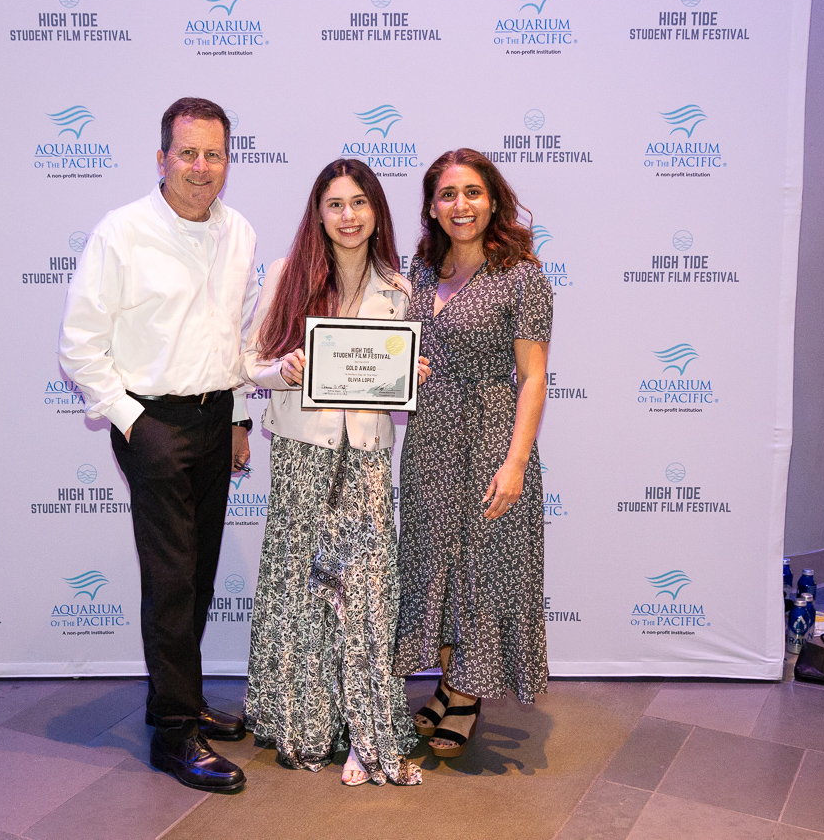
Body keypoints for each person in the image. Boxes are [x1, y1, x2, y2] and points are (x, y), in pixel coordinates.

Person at [58, 97, 260, 793]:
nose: (200, 168)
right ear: (161, 158)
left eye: (213, 154)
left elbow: (232, 336)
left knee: (198, 573)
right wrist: (132, 422)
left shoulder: (240, 233)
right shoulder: (122, 232)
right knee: (171, 579)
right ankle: (175, 733)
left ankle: (181, 697)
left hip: (214, 420)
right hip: (152, 425)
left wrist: (238, 419)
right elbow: (80, 345)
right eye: (187, 153)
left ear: (227, 161)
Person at [241, 159, 428, 786]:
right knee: (302, 587)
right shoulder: (285, 278)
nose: (348, 216)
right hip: (300, 452)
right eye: (334, 204)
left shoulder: (398, 290)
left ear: (376, 211)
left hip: (368, 454)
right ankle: (305, 722)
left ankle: (365, 730)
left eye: (359, 203)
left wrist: (411, 381)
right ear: (317, 213)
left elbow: (391, 381)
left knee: (367, 592)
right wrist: (282, 370)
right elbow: (247, 365)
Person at [394, 148, 552, 758]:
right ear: (432, 207)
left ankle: (465, 694)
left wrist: (515, 463)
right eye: (447, 195)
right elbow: (401, 349)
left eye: (473, 193)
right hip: (430, 438)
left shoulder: (522, 276)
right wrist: (408, 368)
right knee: (434, 564)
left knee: (482, 570)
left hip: (491, 437)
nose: (460, 206)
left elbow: (533, 377)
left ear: (493, 200)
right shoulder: (422, 269)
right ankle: (445, 681)